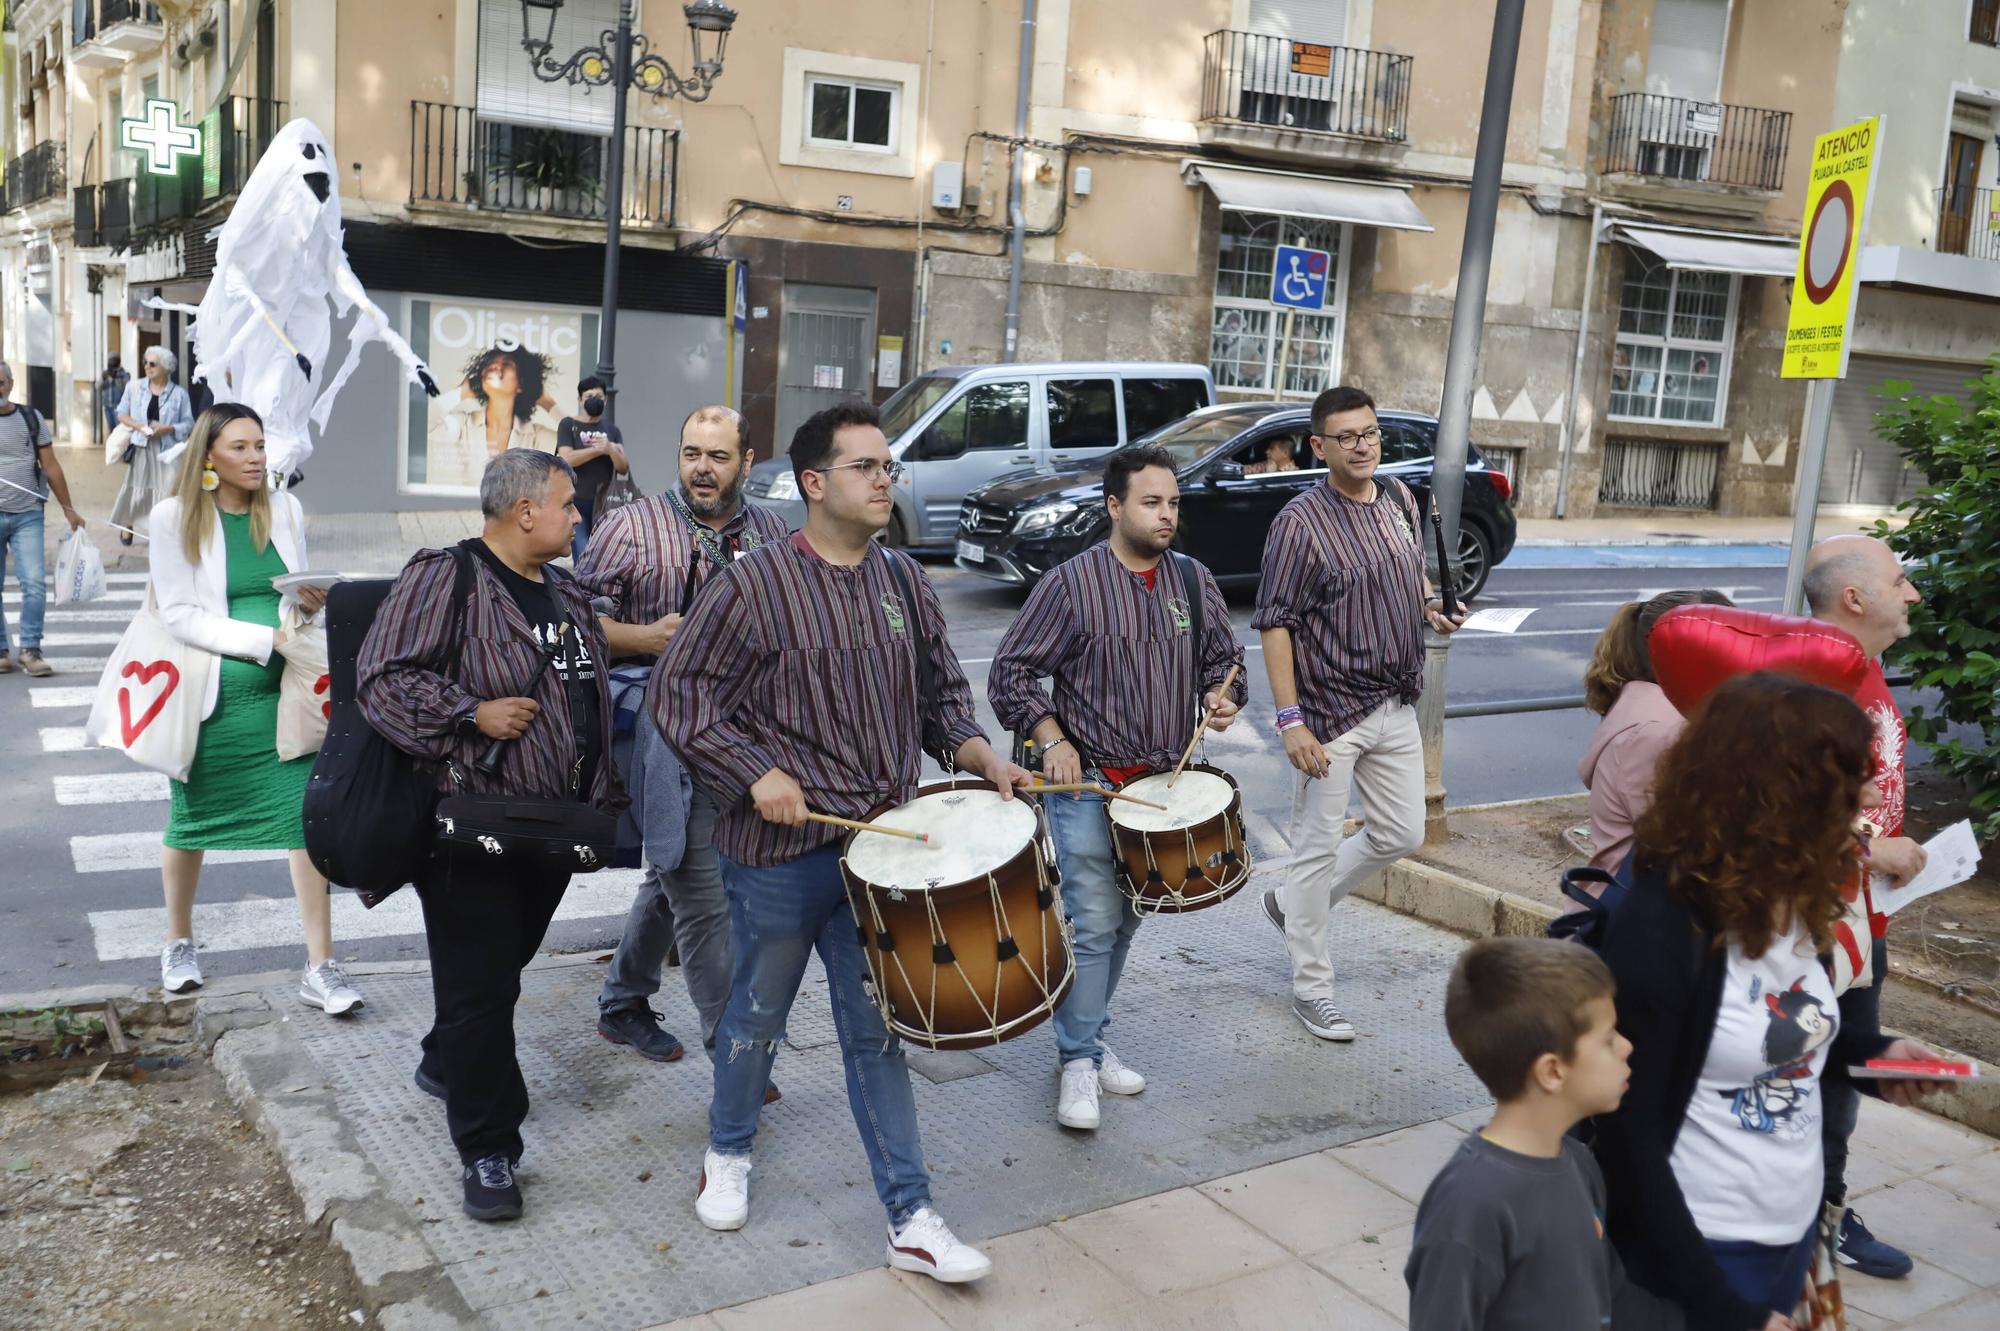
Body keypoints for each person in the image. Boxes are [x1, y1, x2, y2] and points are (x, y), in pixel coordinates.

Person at [655, 400, 1027, 1283]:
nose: (884, 479)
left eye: (888, 466)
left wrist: (981, 756)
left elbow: (942, 698)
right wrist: (754, 774)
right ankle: (729, 1148)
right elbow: (682, 697)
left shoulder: (904, 581)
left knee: (878, 1029)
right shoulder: (752, 585)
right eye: (866, 466)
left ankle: (910, 1214)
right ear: (814, 483)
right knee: (757, 1014)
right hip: (779, 856)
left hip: (883, 852)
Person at [1591, 673, 1950, 1331]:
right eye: (1853, 776)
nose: (1872, 794)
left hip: (1786, 1235)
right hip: (1699, 1257)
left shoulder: (1789, 898)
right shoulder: (1665, 923)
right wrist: (1726, 1311)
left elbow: (1778, 1037)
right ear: (1785, 794)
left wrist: (1876, 1056)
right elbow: (1629, 1136)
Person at [357, 449, 620, 1223]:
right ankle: (488, 1148)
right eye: (569, 504)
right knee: (480, 987)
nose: (580, 517)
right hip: (472, 823)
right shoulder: (449, 575)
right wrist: (472, 712)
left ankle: (447, 1060)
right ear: (524, 510)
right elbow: (383, 676)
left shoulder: (563, 587)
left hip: (555, 826)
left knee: (501, 966)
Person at [987, 443, 1244, 1131]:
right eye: (1151, 502)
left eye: (1172, 503)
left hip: (1160, 787)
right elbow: (1011, 672)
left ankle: (1089, 1040)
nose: (1166, 515)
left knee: (1127, 916)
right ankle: (1077, 1061)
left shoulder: (1192, 581)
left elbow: (1224, 660)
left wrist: (1226, 697)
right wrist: (1053, 738)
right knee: (1096, 921)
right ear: (1113, 506)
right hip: (1087, 785)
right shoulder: (1070, 585)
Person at [576, 404, 786, 1067]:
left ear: (746, 463)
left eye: (718, 456)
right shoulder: (631, 527)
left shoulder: (776, 533)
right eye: (692, 451)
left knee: (669, 872)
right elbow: (577, 628)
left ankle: (621, 1000)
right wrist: (649, 638)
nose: (702, 467)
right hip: (657, 735)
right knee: (702, 889)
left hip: (744, 738)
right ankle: (735, 1056)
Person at [1255, 385, 1465, 1041]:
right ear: (1319, 447)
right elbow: (1274, 622)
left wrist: (1433, 608)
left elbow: (1413, 580)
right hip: (1329, 712)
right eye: (1346, 436)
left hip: (1394, 701)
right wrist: (1291, 720)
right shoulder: (1299, 523)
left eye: (1369, 431)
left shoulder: (1400, 500)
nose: (1362, 444)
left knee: (1401, 832)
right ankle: (1313, 988)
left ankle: (1291, 905)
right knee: (1315, 851)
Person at [147, 404, 359, 1016]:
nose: (256, 456)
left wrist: (313, 603)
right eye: (239, 447)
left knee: (303, 820)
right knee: (190, 823)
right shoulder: (176, 516)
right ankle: (178, 943)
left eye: (260, 445)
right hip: (214, 699)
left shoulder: (285, 510)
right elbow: (178, 614)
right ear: (207, 456)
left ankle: (321, 966)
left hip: (288, 695)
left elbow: (298, 598)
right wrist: (258, 639)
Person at [1407, 937, 1677, 1331]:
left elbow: (1612, 1298)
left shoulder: (1580, 1165)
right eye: (1608, 1038)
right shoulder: (1470, 1206)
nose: (1627, 1047)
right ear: (1552, 1071)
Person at [1802, 534, 1928, 1280]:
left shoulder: (1861, 667)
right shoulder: (1816, 678)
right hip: (1816, 922)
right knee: (1812, 1060)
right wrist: (1865, 845)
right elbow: (1769, 802)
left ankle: (1825, 1208)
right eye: (1899, 579)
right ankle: (1815, 1217)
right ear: (1855, 597)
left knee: (1841, 1063)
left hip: (1858, 918)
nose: (1912, 592)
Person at [1577, 589, 1733, 881]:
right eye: (1732, 641)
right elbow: (1687, 847)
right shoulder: (1658, 732)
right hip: (1643, 916)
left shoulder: (1655, 706)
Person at [0, 361, 86, 678]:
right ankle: (0, 650)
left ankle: (31, 649)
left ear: (10, 383)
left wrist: (69, 508)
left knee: (34, 584)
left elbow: (50, 466)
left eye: (1, 382)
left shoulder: (31, 418)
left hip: (27, 514)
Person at [426, 346, 560, 489]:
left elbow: (578, 440)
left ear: (521, 384)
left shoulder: (535, 435)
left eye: (506, 364)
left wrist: (548, 403)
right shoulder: (464, 424)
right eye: (490, 364)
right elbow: (426, 422)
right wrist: (460, 392)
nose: (496, 366)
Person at [112, 347, 196, 547]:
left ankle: (163, 528)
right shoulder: (134, 387)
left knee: (169, 488)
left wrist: (168, 428)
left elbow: (189, 424)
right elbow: (121, 413)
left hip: (167, 449)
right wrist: (139, 426)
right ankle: (127, 523)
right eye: (145, 362)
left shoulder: (179, 394)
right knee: (136, 487)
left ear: (166, 367)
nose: (147, 367)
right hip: (142, 446)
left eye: (152, 363)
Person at [554, 375, 629, 555]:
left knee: (604, 554)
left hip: (605, 503)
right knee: (583, 552)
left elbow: (623, 468)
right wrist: (598, 450)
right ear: (580, 400)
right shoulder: (568, 425)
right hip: (574, 502)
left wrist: (610, 449)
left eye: (599, 397)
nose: (594, 400)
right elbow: (566, 459)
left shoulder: (612, 430)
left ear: (606, 399)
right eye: (589, 396)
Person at [100, 355, 130, 438]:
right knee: (112, 430)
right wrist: (103, 378)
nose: (110, 363)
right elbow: (99, 387)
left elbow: (125, 389)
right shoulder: (106, 373)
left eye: (112, 360)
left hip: (118, 407)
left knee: (120, 430)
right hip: (107, 407)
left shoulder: (124, 374)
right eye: (109, 360)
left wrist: (116, 378)